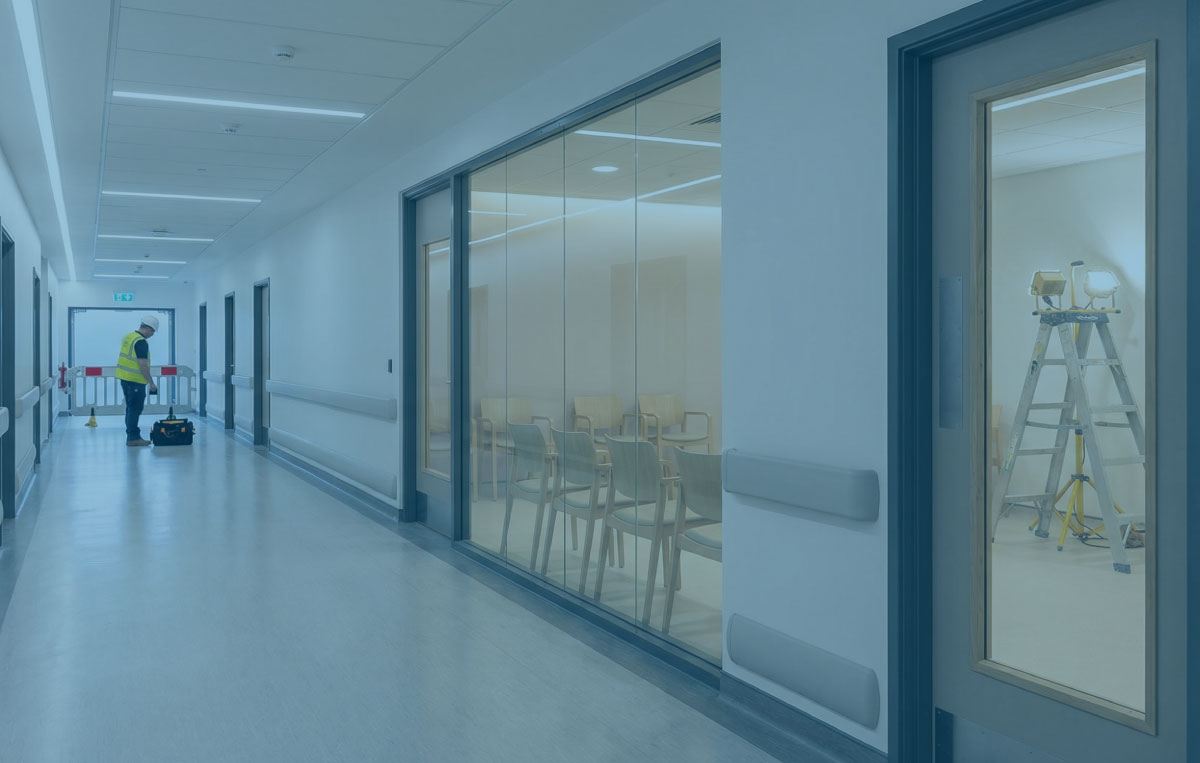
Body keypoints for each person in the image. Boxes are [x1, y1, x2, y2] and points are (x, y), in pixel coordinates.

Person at [115, 315, 159, 446]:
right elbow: (143, 364)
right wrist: (151, 382)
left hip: (125, 378)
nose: (152, 334)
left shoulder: (129, 337)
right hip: (135, 381)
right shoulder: (141, 342)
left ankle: (131, 436)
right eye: (153, 331)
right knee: (135, 409)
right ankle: (133, 438)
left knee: (130, 409)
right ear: (148, 328)